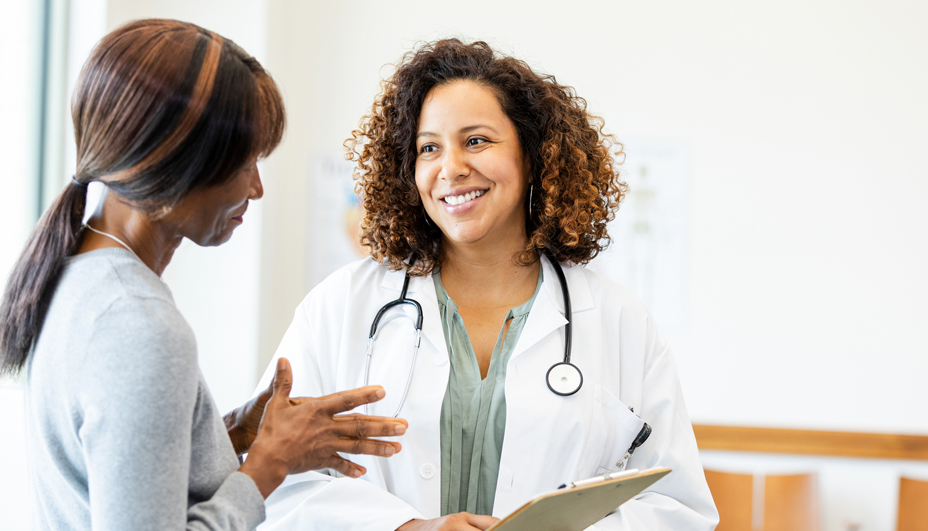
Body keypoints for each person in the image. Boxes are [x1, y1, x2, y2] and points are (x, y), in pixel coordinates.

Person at [255, 39, 718, 531]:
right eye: (428, 147)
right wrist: (408, 529)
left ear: (533, 155)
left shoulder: (615, 318)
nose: (451, 168)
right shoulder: (342, 306)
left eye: (476, 140)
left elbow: (677, 507)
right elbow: (274, 481)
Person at [0, 19, 408, 530]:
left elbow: (121, 470)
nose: (257, 189)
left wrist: (231, 433)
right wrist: (268, 466)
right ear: (177, 162)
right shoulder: (140, 326)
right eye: (246, 163)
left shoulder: (74, 277)